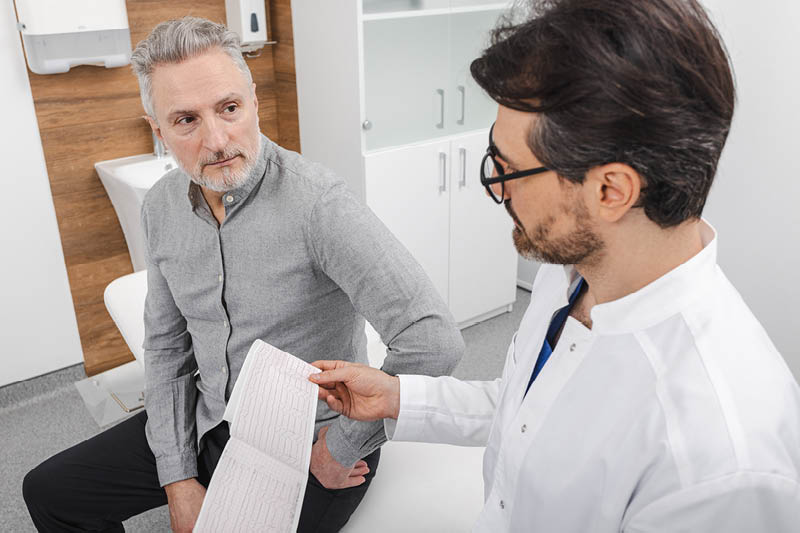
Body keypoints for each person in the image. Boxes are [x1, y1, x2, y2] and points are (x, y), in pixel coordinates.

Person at [308, 0, 800, 531]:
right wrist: (398, 396)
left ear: (610, 189)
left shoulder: (718, 461)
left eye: (509, 168)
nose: (496, 186)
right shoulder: (575, 272)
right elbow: (526, 407)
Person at [23, 16, 464, 533]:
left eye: (229, 109)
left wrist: (340, 448)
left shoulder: (318, 205)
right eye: (186, 120)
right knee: (50, 492)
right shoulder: (161, 208)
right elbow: (167, 348)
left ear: (253, 101)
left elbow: (433, 341)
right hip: (211, 418)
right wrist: (179, 477)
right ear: (158, 130)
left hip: (307, 443)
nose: (216, 140)